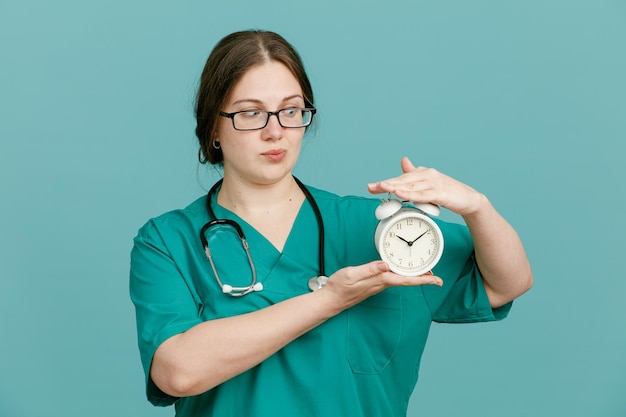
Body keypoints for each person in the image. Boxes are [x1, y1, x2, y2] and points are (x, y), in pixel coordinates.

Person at [129, 29, 533, 417]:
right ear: (214, 125)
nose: (276, 131)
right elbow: (177, 371)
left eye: (290, 110)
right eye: (252, 113)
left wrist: (477, 207)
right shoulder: (168, 242)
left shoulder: (382, 230)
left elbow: (507, 283)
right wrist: (330, 300)